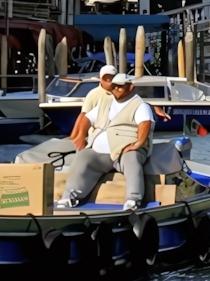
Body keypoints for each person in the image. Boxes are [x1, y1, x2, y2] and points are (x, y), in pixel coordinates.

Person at [57, 73, 154, 211]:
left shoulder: (140, 105)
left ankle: (133, 199)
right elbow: (87, 118)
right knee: (83, 156)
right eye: (114, 87)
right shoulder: (106, 103)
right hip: (100, 152)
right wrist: (81, 136)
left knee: (131, 159)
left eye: (120, 87)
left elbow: (145, 124)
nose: (116, 89)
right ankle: (70, 196)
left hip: (125, 149)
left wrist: (138, 144)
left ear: (130, 86)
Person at [69, 64, 117, 150]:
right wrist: (78, 136)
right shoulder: (93, 94)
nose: (109, 80)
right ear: (101, 78)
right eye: (106, 78)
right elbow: (84, 115)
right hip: (96, 135)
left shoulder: (121, 93)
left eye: (112, 77)